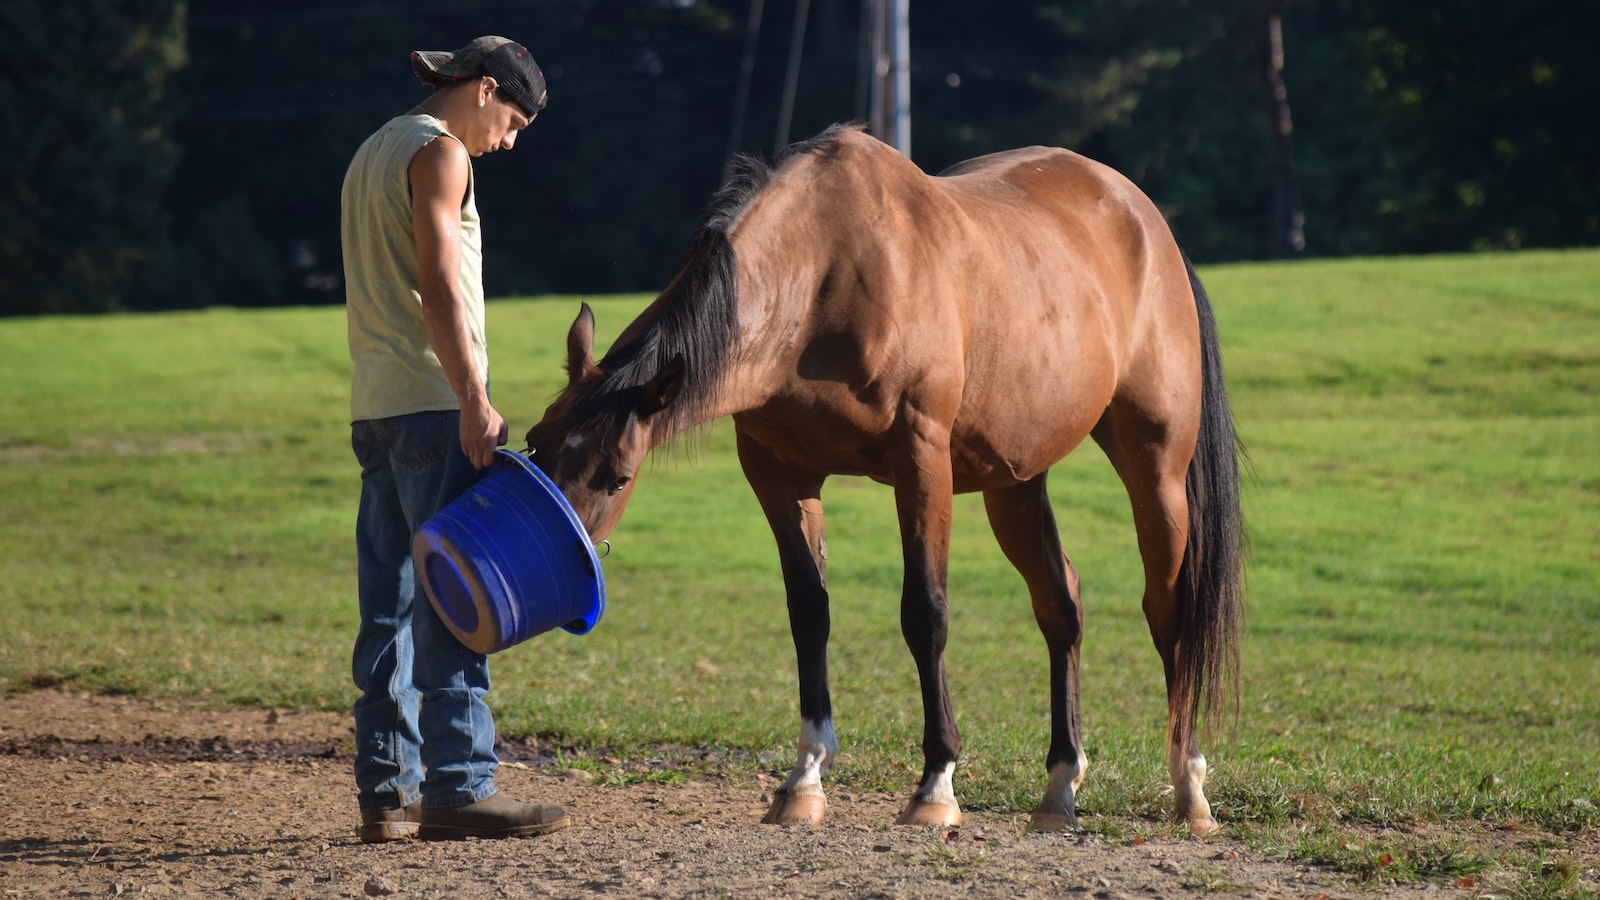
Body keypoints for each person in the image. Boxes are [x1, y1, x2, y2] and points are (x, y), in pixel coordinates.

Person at [340, 36, 566, 843]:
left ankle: (384, 793)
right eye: (511, 121)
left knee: (388, 607)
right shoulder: (440, 154)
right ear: (482, 89)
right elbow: (438, 280)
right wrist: (475, 398)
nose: (506, 141)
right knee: (451, 599)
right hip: (436, 406)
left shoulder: (374, 148)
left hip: (376, 407)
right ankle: (461, 786)